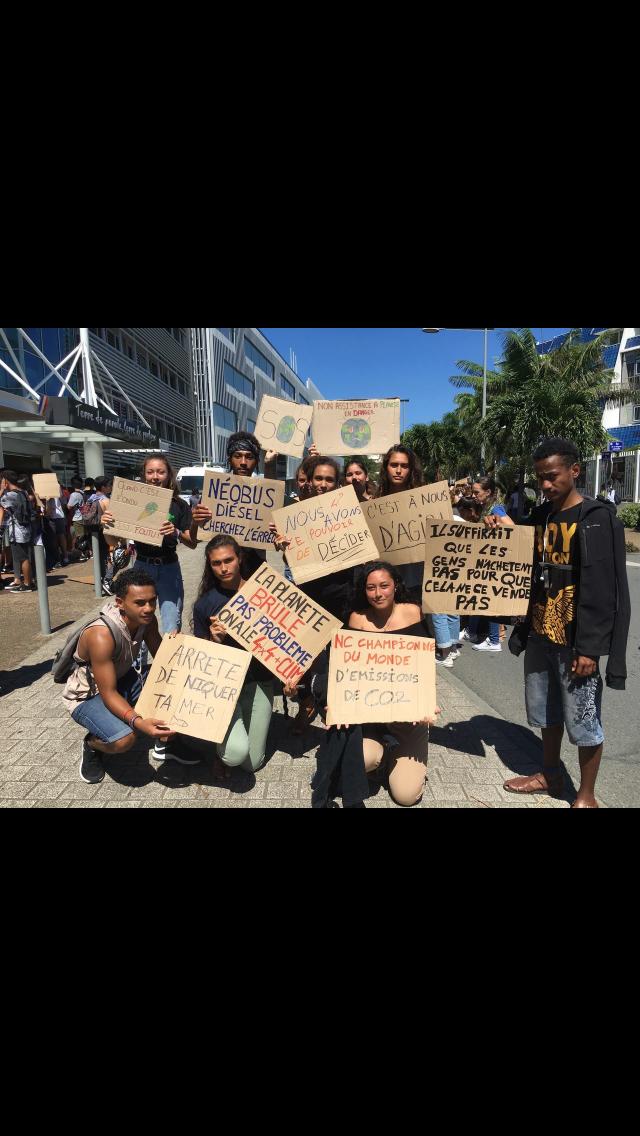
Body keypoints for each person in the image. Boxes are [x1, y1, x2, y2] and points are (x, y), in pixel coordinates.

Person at [503, 437, 630, 808]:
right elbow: (517, 549)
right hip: (539, 633)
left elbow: (604, 590)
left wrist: (589, 648)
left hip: (575, 642)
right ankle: (550, 775)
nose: (545, 484)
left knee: (584, 718)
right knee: (546, 711)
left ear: (575, 471)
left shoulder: (596, 518)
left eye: (552, 476)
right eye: (540, 477)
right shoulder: (541, 516)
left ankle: (586, 796)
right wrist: (499, 525)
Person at [62, 568, 179, 784]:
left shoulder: (147, 621)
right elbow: (108, 694)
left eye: (152, 601)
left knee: (175, 681)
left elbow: (165, 661)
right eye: (140, 603)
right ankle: (93, 745)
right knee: (125, 739)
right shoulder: (101, 635)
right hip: (88, 696)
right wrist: (139, 722)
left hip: (120, 681)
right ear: (120, 603)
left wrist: (181, 647)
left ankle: (168, 741)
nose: (149, 608)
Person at [346, 561, 441, 806]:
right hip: (369, 717)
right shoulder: (356, 620)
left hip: (407, 717)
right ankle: (381, 757)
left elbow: (425, 663)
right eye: (371, 588)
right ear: (363, 590)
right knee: (363, 759)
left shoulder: (414, 612)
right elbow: (345, 670)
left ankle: (399, 757)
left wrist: (428, 702)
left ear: (396, 586)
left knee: (406, 796)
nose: (378, 593)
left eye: (384, 586)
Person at [193, 535, 274, 773]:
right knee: (234, 755)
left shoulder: (265, 593)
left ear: (240, 558)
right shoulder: (204, 605)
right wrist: (214, 640)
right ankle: (219, 742)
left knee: (252, 763)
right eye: (216, 563)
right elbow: (202, 658)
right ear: (210, 566)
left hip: (259, 681)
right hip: (226, 687)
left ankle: (236, 727)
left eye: (228, 560)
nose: (223, 568)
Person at [462, 476, 511, 652]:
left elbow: (513, 529)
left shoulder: (496, 509)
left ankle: (494, 641)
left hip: (493, 563)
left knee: (488, 601)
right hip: (485, 562)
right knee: (478, 597)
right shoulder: (486, 507)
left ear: (488, 492)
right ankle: (472, 632)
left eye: (477, 492)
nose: (474, 495)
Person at [375, 444, 425, 602]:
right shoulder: (374, 504)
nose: (398, 470)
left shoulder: (424, 501)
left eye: (404, 466)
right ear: (386, 468)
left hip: (416, 583)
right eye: (394, 465)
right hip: (384, 585)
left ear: (411, 470)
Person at [0, 470, 34, 592]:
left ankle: (27, 584)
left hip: (18, 531)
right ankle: (28, 581)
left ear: (6, 481)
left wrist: (1, 490)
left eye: (2, 480)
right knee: (24, 557)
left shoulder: (10, 495)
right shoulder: (22, 492)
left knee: (23, 558)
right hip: (25, 529)